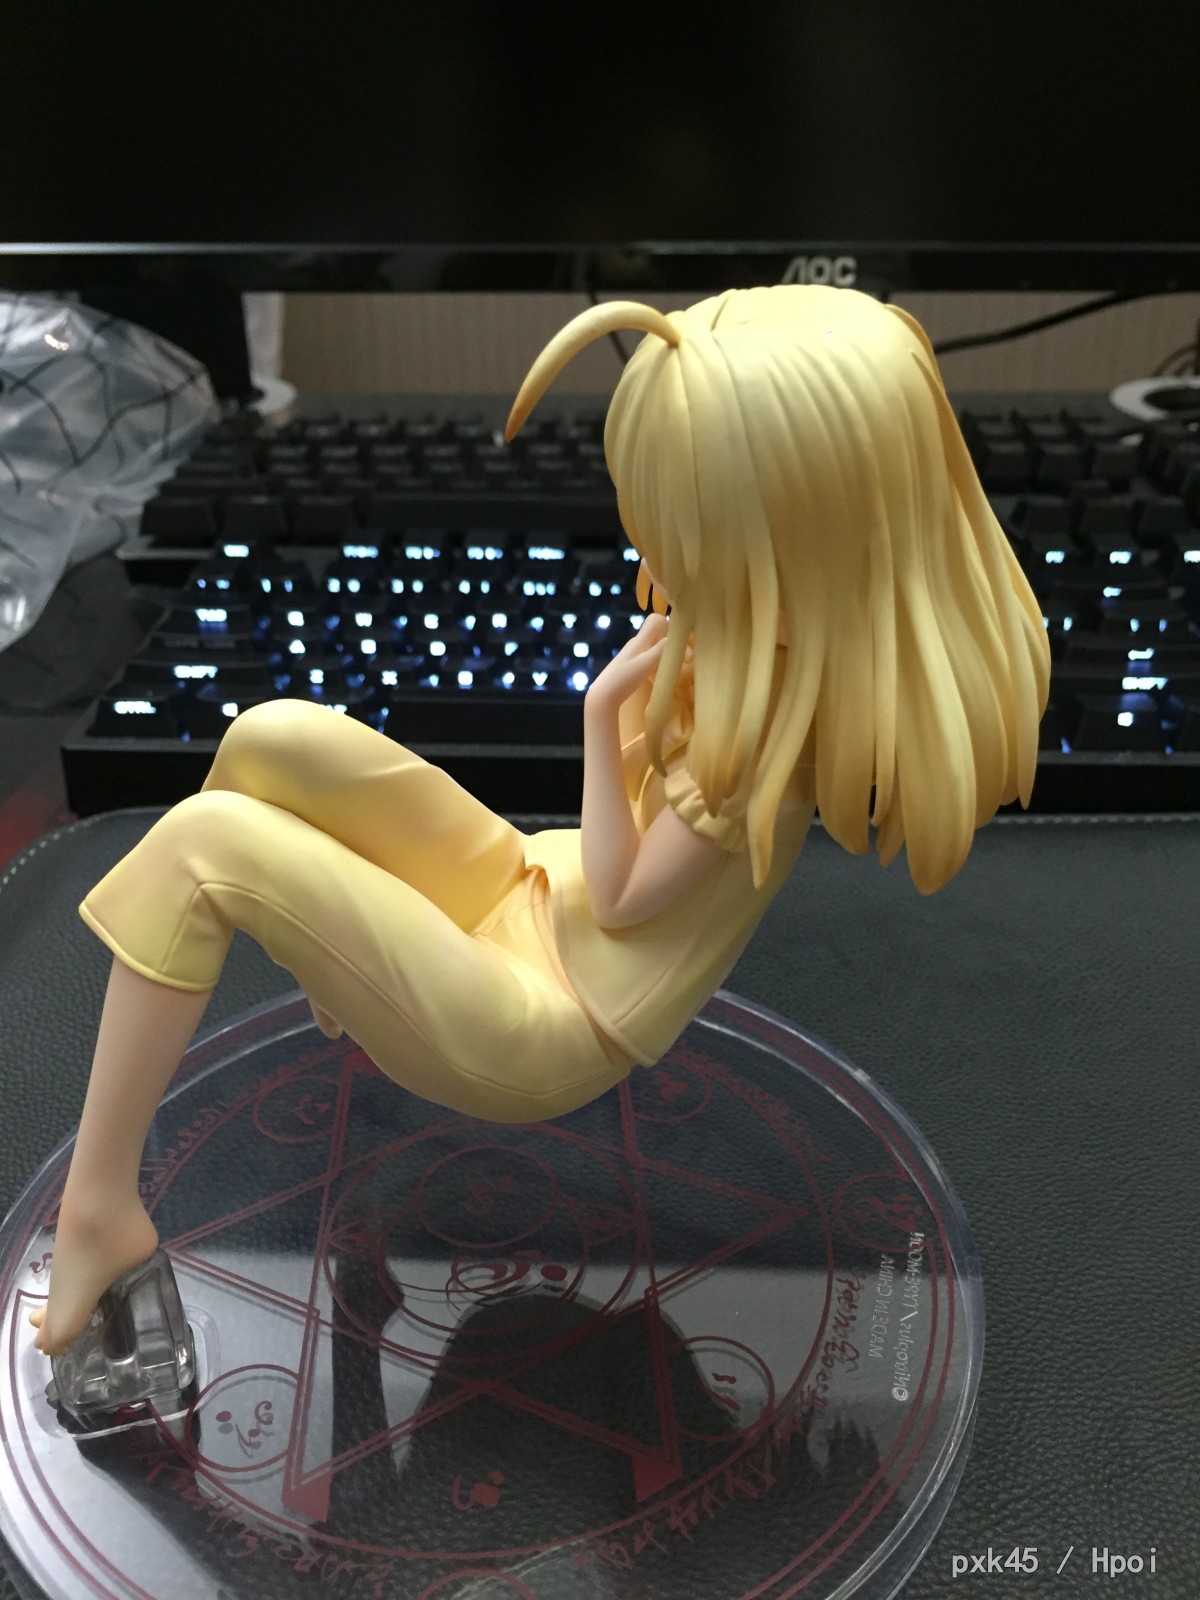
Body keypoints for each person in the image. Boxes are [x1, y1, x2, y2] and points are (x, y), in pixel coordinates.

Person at [31, 284, 1049, 1358]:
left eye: (682, 522)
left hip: (548, 1013)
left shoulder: (762, 750)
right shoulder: (746, 642)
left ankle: (102, 1208)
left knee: (203, 851)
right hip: (532, 892)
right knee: (274, 737)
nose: (658, 549)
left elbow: (622, 898)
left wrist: (600, 714)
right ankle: (340, 977)